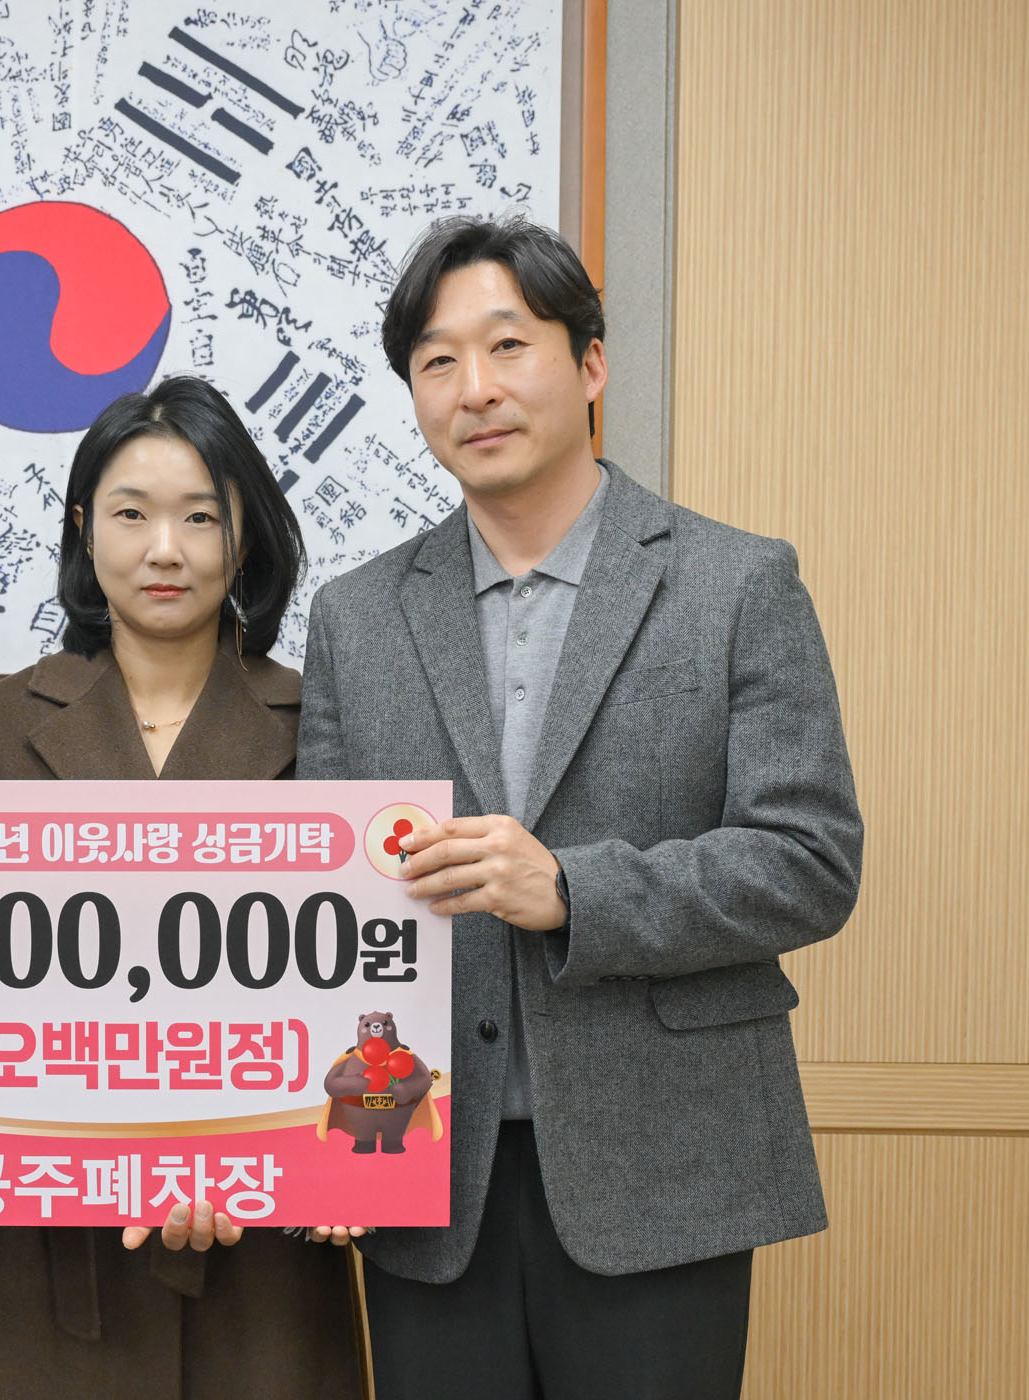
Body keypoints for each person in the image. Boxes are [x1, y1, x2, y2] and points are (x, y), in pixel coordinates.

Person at [298, 215, 864, 1397]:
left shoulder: (735, 582)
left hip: (664, 1161)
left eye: (508, 345)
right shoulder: (357, 615)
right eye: (437, 361)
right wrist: (327, 1152)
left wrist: (572, 888)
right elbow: (329, 908)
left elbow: (808, 861)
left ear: (591, 363)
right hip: (416, 1169)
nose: (475, 387)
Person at [0, 376, 364, 1400]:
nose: (165, 549)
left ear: (245, 534)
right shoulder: (3, 725)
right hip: (39, 1246)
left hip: (262, 1243)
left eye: (201, 516)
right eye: (133, 514)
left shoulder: (323, 720)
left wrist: (354, 1170)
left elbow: (365, 983)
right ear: (83, 528)